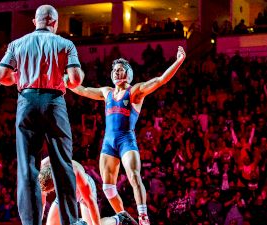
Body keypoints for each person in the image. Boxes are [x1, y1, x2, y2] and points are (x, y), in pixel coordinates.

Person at [70, 46, 186, 225]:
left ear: (128, 74)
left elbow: (161, 80)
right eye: (114, 70)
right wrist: (61, 83)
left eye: (120, 69)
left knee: (133, 176)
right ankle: (124, 217)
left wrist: (178, 61)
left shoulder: (135, 91)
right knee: (108, 188)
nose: (116, 72)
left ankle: (143, 217)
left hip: (126, 141)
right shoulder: (106, 92)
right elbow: (83, 90)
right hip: (108, 143)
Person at [0, 5, 85, 225]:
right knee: (62, 164)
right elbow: (75, 79)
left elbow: (0, 75)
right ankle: (70, 222)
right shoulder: (65, 44)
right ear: (54, 23)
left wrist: (21, 77)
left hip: (26, 102)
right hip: (54, 102)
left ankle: (30, 223)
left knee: (27, 165)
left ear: (35, 22)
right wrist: (64, 78)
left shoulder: (17, 44)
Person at [39, 157, 138, 225]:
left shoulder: (75, 171)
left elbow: (90, 202)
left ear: (56, 180)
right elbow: (42, 199)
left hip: (82, 188)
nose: (51, 193)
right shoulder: (41, 169)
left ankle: (120, 218)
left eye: (52, 190)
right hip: (65, 192)